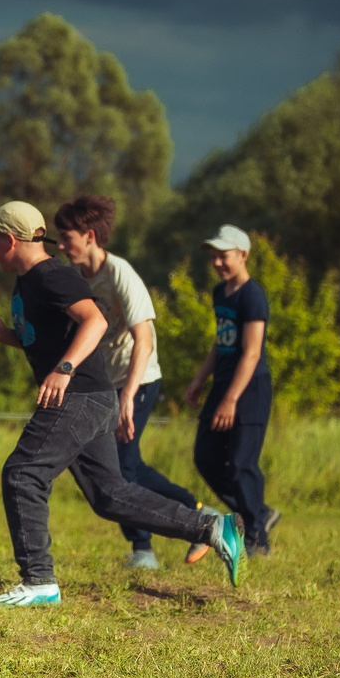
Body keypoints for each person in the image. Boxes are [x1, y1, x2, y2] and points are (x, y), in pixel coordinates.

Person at [0, 201, 245, 607]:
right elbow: (43, 338)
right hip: (91, 398)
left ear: (10, 239)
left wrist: (64, 368)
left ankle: (39, 581)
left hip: (77, 395)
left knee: (23, 473)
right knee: (109, 495)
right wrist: (5, 336)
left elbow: (95, 320)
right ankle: (212, 527)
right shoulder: (27, 280)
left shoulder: (52, 275)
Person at [51, 194, 196, 572]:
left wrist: (128, 397)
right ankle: (193, 509)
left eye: (67, 237)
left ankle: (146, 548)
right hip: (107, 384)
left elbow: (144, 339)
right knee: (127, 467)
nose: (62, 245)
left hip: (139, 379)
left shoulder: (120, 274)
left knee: (121, 469)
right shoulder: (78, 279)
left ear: (90, 235)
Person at [182, 225, 276, 554]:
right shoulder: (220, 293)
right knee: (206, 456)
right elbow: (220, 342)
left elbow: (251, 352)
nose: (218, 263)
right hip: (222, 385)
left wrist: (231, 400)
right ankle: (259, 512)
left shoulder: (253, 296)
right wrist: (199, 380)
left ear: (243, 255)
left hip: (249, 390)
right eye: (214, 257)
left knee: (240, 463)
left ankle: (256, 537)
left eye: (224, 256)